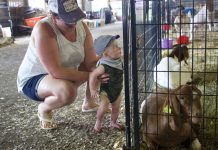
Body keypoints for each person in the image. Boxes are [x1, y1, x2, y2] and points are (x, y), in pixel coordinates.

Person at [17, 0, 108, 130]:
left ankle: (89, 102)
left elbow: (90, 61)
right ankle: (44, 108)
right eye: (68, 20)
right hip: (35, 78)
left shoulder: (81, 26)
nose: (73, 23)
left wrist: (103, 69)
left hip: (62, 73)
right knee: (68, 92)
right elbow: (56, 71)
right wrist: (93, 75)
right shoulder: (44, 28)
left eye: (75, 18)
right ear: (54, 18)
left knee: (100, 65)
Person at [89, 35, 124, 132]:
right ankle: (98, 122)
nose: (119, 48)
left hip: (118, 90)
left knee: (116, 108)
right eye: (115, 47)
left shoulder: (118, 60)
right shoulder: (104, 65)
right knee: (103, 107)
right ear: (105, 54)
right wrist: (92, 89)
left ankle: (113, 122)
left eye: (118, 46)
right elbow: (93, 75)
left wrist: (137, 45)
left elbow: (129, 57)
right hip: (106, 91)